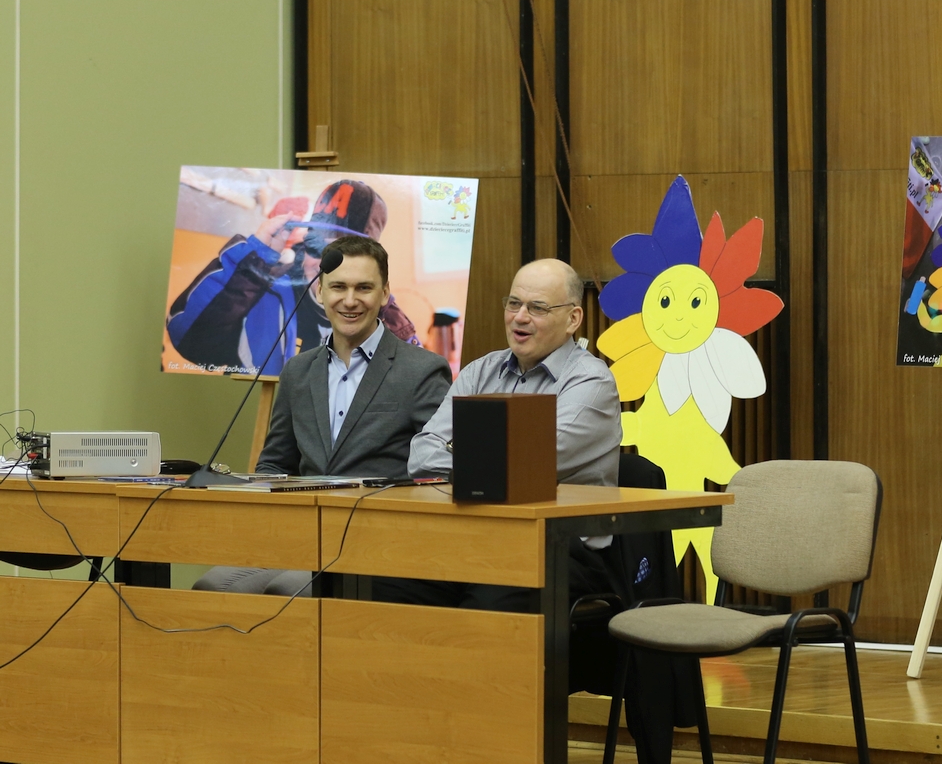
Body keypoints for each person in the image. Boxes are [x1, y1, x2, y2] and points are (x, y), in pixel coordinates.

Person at [192, 235, 452, 596]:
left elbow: (438, 475)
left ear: (384, 293)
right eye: (338, 287)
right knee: (212, 586)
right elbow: (275, 464)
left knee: (288, 590)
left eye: (363, 288)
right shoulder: (297, 371)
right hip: (302, 537)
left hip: (379, 541)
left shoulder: (422, 369)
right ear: (320, 291)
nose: (350, 300)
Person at [395, 257, 622, 611]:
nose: (520, 317)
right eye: (514, 303)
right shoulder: (480, 372)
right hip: (473, 536)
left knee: (486, 605)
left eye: (537, 308)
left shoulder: (591, 382)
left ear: (573, 319)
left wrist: (460, 452)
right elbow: (422, 455)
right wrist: (482, 465)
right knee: (387, 584)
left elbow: (528, 465)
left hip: (558, 547)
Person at [167, 178, 422, 375]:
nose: (325, 263)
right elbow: (190, 341)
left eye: (345, 254)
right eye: (316, 246)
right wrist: (253, 261)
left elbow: (418, 391)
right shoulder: (261, 291)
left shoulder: (387, 322)